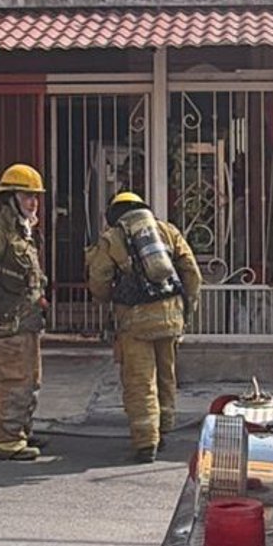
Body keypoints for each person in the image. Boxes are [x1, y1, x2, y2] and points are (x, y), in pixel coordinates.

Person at [86, 191, 201, 462]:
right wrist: (186, 311)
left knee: (140, 380)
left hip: (135, 321)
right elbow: (192, 273)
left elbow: (100, 279)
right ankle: (164, 428)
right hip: (170, 317)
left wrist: (106, 299)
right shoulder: (167, 230)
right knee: (166, 374)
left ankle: (145, 441)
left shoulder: (112, 238)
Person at [0, 164, 49, 461]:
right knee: (10, 380)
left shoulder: (23, 232)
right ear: (11, 198)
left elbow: (29, 274)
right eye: (27, 196)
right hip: (6, 322)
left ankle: (19, 432)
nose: (33, 202)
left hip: (26, 321)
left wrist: (40, 299)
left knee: (30, 381)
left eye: (35, 197)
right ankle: (5, 441)